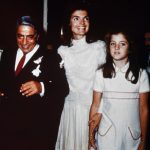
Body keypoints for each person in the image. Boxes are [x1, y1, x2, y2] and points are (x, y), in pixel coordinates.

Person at [0, 16, 69, 150]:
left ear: (37, 36)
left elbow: (63, 89)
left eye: (29, 37)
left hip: (34, 130)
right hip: (7, 127)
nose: (24, 42)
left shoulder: (51, 57)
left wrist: (41, 87)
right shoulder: (8, 53)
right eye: (20, 36)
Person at [55, 2, 106, 150]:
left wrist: (100, 111)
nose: (82, 23)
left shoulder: (98, 47)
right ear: (69, 23)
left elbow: (106, 83)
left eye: (86, 18)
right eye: (76, 18)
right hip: (70, 111)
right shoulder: (62, 50)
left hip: (93, 109)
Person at [88, 29, 150, 150]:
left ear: (130, 47)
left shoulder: (141, 75)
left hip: (131, 136)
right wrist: (90, 135)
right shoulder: (100, 73)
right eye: (113, 44)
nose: (116, 47)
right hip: (107, 135)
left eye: (122, 44)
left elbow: (144, 109)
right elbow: (95, 105)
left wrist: (143, 140)